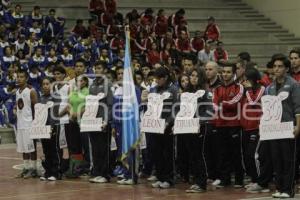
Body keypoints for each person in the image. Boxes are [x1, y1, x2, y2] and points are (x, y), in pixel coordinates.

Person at [267, 54, 300, 198]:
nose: (276, 69)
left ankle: (288, 190)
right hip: (274, 128)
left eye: (280, 66)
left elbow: (298, 107)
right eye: (274, 66)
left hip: (288, 127)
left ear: (287, 68)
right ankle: (279, 188)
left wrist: (298, 126)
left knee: (288, 159)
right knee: (276, 158)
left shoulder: (293, 84)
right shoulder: (270, 87)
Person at [213, 63, 244, 188]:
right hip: (220, 124)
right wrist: (224, 105)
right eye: (224, 72)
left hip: (234, 124)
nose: (225, 74)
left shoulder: (239, 87)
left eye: (228, 72)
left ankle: (239, 179)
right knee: (222, 153)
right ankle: (225, 179)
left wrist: (222, 104)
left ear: (233, 73)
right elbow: (214, 105)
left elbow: (236, 102)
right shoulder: (217, 89)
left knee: (236, 153)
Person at [148, 66, 178, 189]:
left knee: (167, 153)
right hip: (155, 126)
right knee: (156, 153)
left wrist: (169, 122)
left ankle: (169, 179)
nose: (156, 81)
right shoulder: (154, 90)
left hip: (167, 127)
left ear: (165, 78)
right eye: (155, 79)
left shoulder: (173, 89)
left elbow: (176, 108)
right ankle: (160, 177)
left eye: (158, 79)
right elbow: (151, 107)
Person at [183, 68, 212, 193]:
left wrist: (199, 121)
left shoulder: (205, 92)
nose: (193, 78)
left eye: (196, 76)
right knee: (192, 155)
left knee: (199, 155)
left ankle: (202, 183)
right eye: (192, 75)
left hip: (200, 128)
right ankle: (196, 180)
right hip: (187, 127)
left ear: (201, 78)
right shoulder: (186, 92)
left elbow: (210, 111)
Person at [88, 61, 113, 183]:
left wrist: (106, 121)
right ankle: (97, 172)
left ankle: (105, 174)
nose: (96, 70)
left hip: (103, 121)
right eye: (95, 68)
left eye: (99, 68)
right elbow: (89, 104)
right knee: (95, 148)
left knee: (104, 148)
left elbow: (110, 105)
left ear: (104, 70)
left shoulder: (108, 84)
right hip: (92, 121)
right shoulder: (92, 85)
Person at [240, 67, 265, 188]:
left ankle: (260, 181)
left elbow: (253, 102)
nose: (244, 82)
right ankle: (254, 179)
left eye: (247, 80)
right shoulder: (246, 91)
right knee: (246, 156)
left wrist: (248, 89)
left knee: (253, 154)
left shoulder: (261, 89)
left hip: (257, 127)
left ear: (253, 79)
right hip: (246, 128)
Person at [15, 69, 39, 178]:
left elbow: (37, 108)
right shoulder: (17, 92)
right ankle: (26, 168)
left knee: (31, 148)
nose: (19, 79)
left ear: (26, 78)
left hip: (29, 124)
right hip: (20, 124)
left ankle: (34, 169)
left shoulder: (31, 91)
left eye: (21, 77)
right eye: (18, 77)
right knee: (23, 148)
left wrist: (36, 123)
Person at [39, 77, 62, 181]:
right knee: (46, 150)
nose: (45, 86)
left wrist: (52, 126)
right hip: (43, 128)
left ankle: (56, 172)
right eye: (43, 84)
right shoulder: (41, 98)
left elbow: (55, 113)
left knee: (54, 149)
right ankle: (47, 172)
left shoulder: (56, 96)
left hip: (53, 126)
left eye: (47, 84)